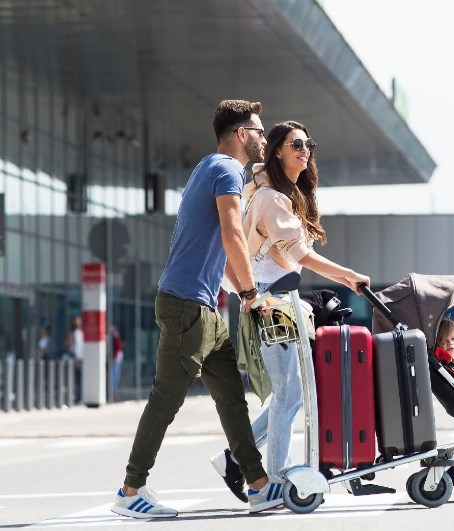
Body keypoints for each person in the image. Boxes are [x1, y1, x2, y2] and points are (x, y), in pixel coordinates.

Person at [111, 100, 281, 519]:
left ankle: (259, 485)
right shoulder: (225, 171)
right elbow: (232, 236)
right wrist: (249, 295)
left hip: (204, 308)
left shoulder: (208, 167)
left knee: (230, 397)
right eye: (258, 131)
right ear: (241, 134)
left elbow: (217, 249)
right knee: (166, 399)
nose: (262, 137)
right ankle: (130, 490)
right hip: (188, 306)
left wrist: (239, 291)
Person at [210, 120, 371, 502]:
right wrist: (348, 276)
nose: (304, 149)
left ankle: (236, 458)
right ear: (278, 150)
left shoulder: (279, 192)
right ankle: (272, 480)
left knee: (292, 393)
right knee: (289, 394)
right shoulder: (271, 199)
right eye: (295, 143)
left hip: (276, 299)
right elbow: (301, 255)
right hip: (270, 300)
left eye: (308, 143)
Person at [63, 316, 83, 402]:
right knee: (79, 379)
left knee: (74, 379)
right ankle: (78, 396)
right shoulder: (82, 334)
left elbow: (66, 345)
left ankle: (75, 396)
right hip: (80, 359)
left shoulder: (73, 334)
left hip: (75, 359)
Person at [109, 324, 124, 395]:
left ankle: (113, 389)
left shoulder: (115, 336)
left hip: (116, 357)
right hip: (116, 356)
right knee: (115, 373)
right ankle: (114, 388)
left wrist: (114, 356)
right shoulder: (115, 336)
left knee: (114, 373)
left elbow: (118, 347)